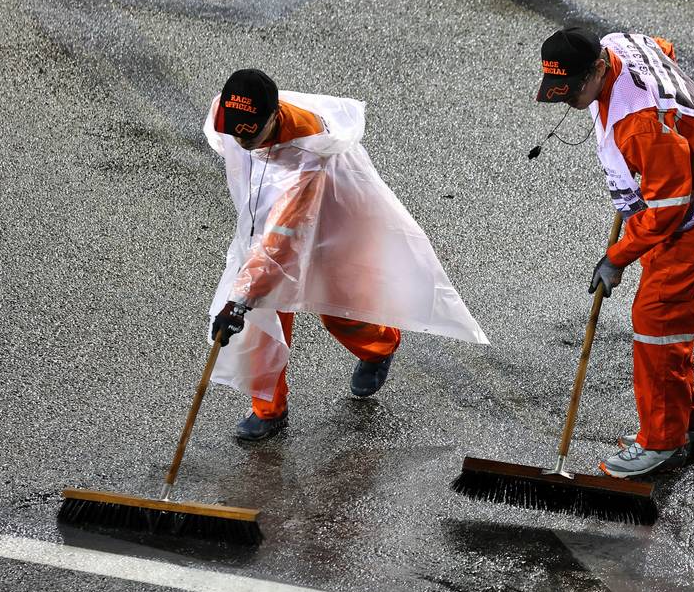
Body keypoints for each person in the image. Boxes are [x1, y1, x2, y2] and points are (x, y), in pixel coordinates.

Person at [204, 69, 488, 441]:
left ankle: (379, 345)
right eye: (235, 129)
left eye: (249, 131)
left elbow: (280, 243)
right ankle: (268, 410)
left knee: (339, 305)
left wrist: (237, 301)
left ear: (273, 117)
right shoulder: (231, 117)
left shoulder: (307, 155)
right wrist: (247, 300)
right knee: (264, 314)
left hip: (329, 215)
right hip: (274, 222)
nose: (240, 139)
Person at [534, 28, 694, 478]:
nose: (571, 101)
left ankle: (662, 443)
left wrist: (618, 255)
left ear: (597, 69)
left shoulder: (639, 123)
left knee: (658, 316)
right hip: (687, 182)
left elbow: (669, 205)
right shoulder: (616, 43)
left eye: (574, 90)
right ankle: (685, 430)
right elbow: (662, 49)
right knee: (668, 316)